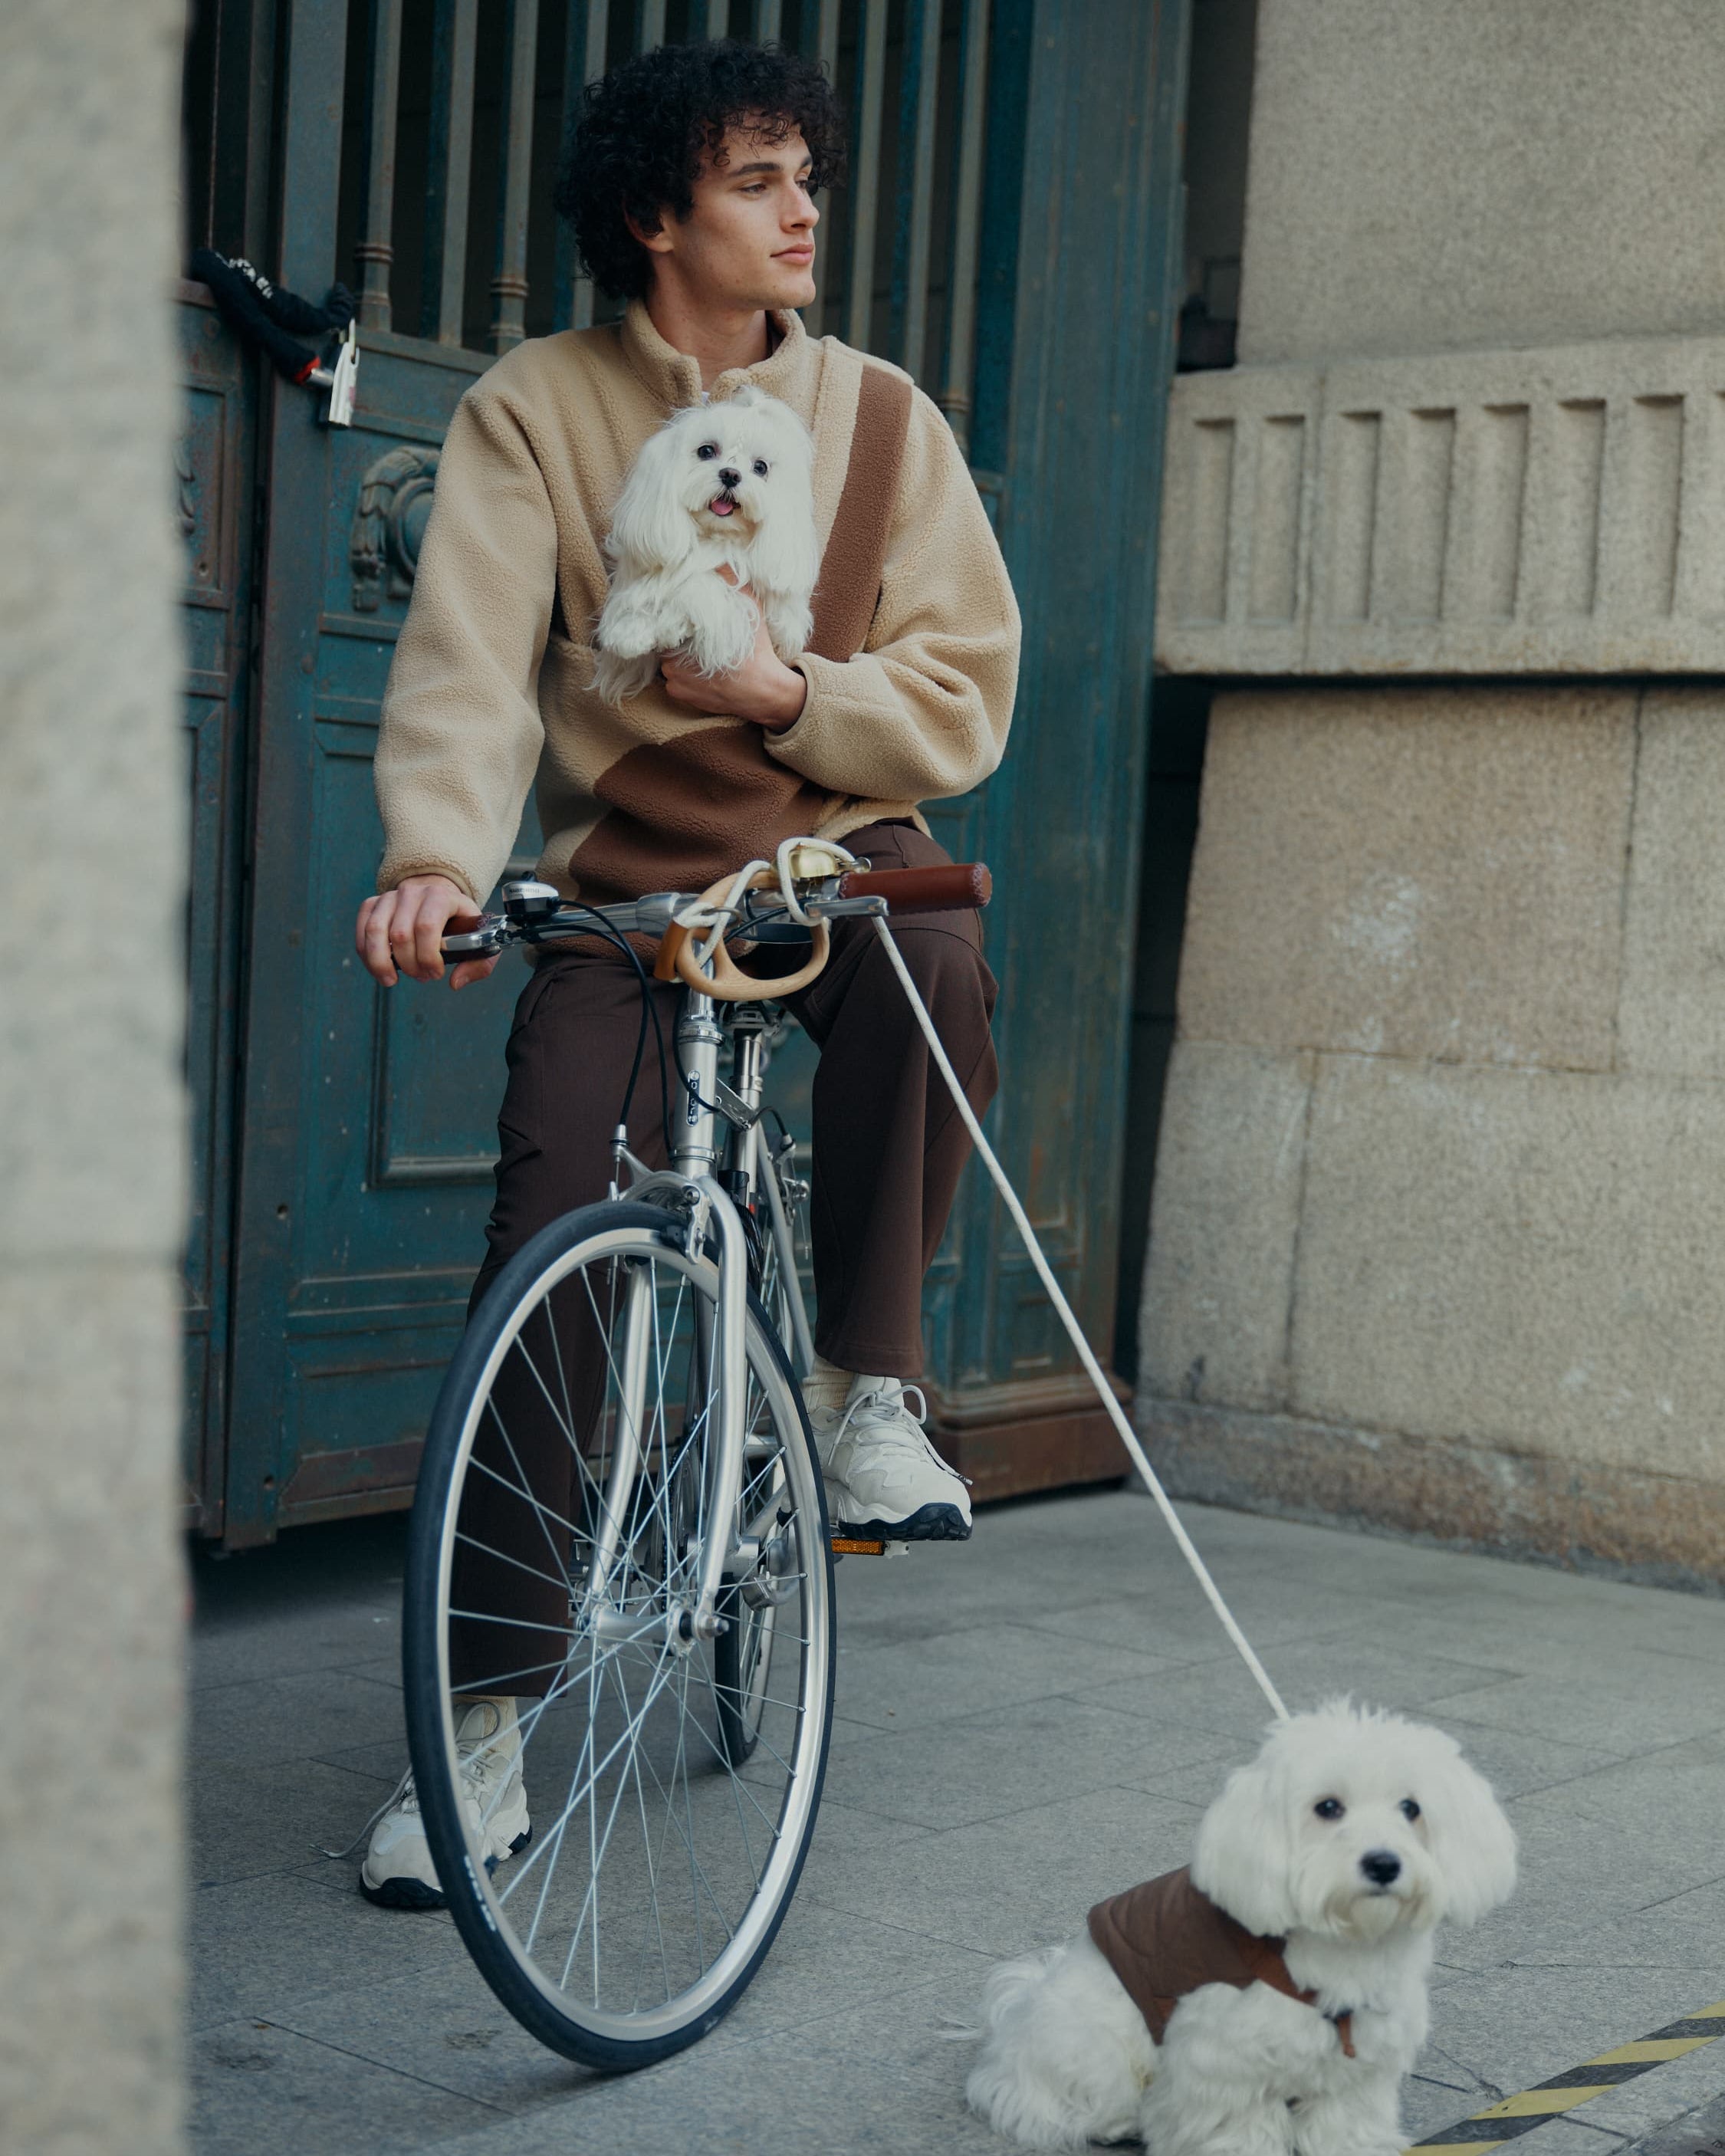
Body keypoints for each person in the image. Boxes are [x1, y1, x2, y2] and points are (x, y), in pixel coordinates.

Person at [351, 38, 1020, 1906]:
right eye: (757, 180)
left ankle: (860, 1386)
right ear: (659, 216)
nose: (805, 209)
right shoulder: (532, 411)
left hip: (832, 842)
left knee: (937, 956)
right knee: (552, 1226)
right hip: (630, 875)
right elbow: (478, 662)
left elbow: (966, 685)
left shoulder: (887, 417)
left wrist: (794, 691)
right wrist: (432, 860)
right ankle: (477, 1738)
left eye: (807, 173)